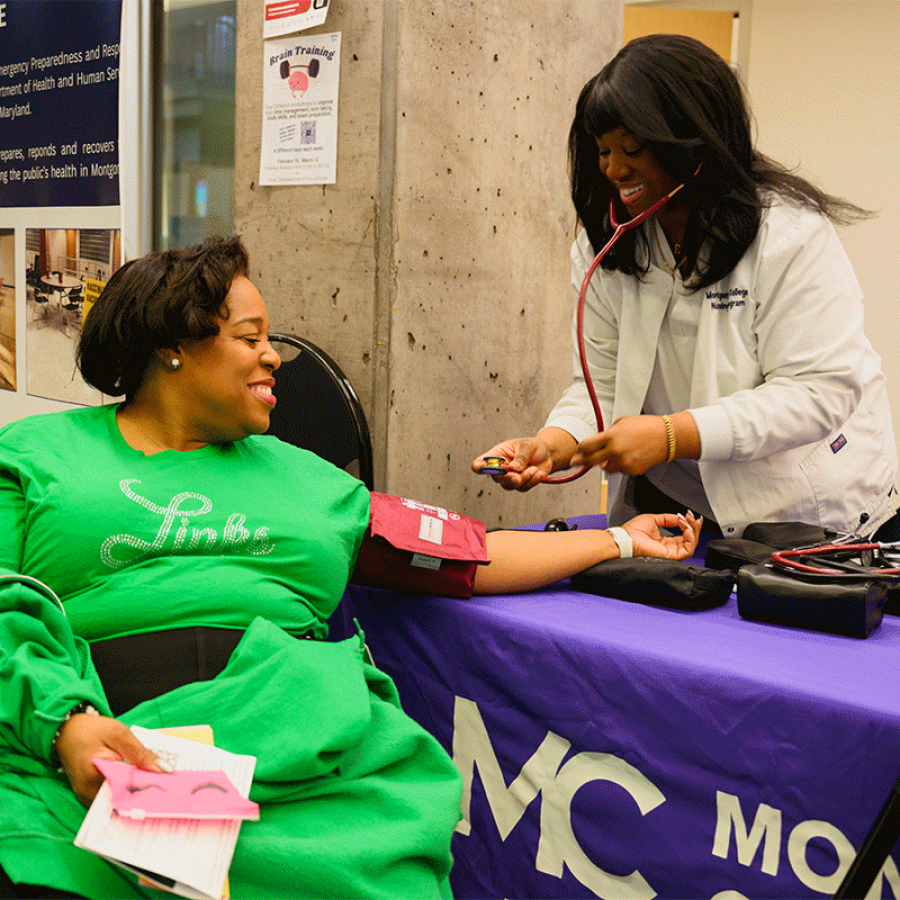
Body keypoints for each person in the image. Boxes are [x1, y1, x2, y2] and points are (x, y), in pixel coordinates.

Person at [0, 236, 699, 900]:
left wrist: (621, 541)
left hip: (291, 742)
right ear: (171, 347)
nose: (274, 358)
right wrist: (65, 723)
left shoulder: (310, 482)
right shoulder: (36, 455)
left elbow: (468, 556)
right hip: (90, 729)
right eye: (249, 338)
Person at [474, 34, 899, 541]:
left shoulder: (788, 234)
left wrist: (673, 436)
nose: (614, 169)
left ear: (693, 144)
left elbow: (818, 390)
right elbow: (603, 386)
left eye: (632, 149)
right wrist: (554, 443)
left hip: (804, 509)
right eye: (603, 151)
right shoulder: (609, 246)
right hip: (677, 506)